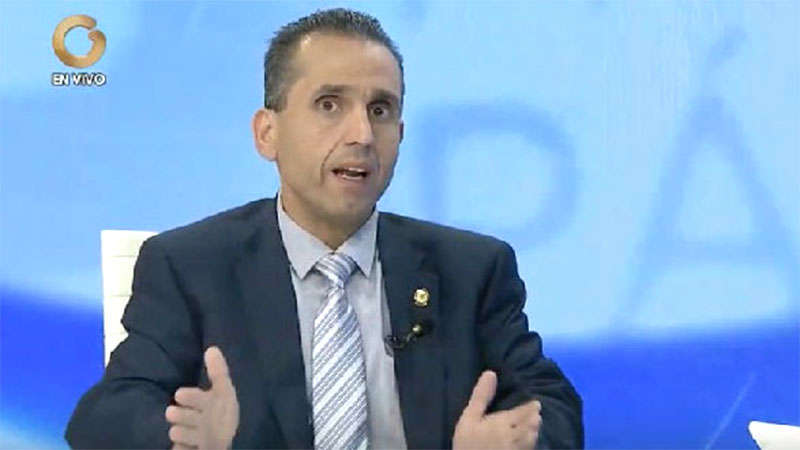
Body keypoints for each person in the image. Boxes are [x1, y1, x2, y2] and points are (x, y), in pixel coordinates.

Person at [66, 8, 583, 449]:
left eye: (381, 109)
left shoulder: (473, 269)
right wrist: (182, 438)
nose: (362, 134)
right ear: (267, 133)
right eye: (329, 104)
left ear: (400, 134)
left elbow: (554, 405)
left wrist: (519, 442)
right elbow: (104, 415)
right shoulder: (191, 266)